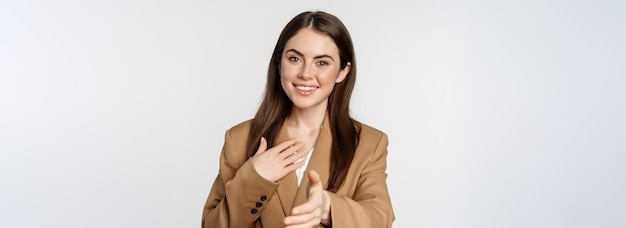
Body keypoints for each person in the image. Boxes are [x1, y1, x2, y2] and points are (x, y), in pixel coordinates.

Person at [202, 10, 394, 228]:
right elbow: (211, 225)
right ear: (279, 62)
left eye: (322, 63)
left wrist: (328, 208)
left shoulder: (368, 142)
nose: (305, 73)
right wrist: (255, 177)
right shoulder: (239, 138)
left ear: (342, 71)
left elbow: (380, 217)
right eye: (295, 58)